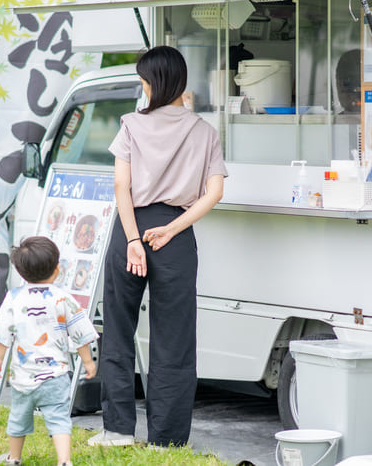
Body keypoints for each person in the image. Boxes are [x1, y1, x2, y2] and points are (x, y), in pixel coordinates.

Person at [88, 45, 228, 449]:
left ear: (153, 84)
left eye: (144, 80)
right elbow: (214, 192)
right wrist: (172, 228)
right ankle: (166, 439)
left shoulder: (130, 124)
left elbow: (121, 186)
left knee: (118, 329)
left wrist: (134, 239)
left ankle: (116, 431)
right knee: (175, 338)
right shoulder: (205, 132)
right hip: (176, 235)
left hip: (131, 227)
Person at [0, 235, 99, 466]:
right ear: (57, 269)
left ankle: (14, 458)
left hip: (22, 377)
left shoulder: (14, 298)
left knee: (18, 418)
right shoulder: (63, 298)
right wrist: (87, 361)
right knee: (59, 418)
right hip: (56, 376)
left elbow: (3, 332)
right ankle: (64, 461)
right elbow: (80, 333)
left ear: (20, 272)